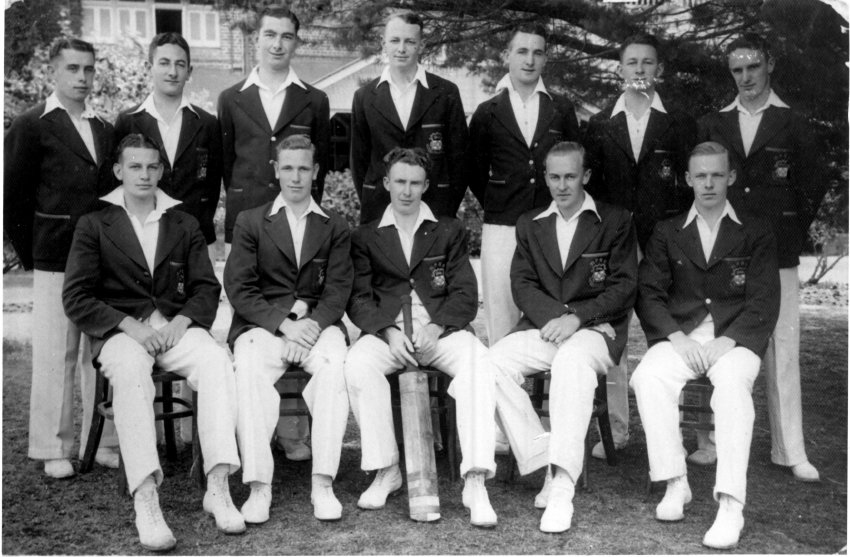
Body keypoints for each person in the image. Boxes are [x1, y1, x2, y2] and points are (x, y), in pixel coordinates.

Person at [62, 134, 245, 551]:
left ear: (161, 171)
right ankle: (146, 497)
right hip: (122, 334)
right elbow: (77, 297)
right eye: (135, 166)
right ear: (119, 171)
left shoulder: (182, 223)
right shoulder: (95, 224)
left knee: (216, 360)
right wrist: (130, 326)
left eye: (151, 166)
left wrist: (181, 322)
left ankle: (217, 484)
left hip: (174, 329)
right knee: (130, 370)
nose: (144, 174)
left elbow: (205, 288)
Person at [344, 147, 513, 528]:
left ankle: (475, 479)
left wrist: (437, 327)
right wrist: (387, 331)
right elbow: (358, 299)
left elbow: (466, 296)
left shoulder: (448, 229)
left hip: (440, 332)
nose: (407, 191)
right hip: (390, 333)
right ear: (386, 183)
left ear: (426, 185)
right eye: (400, 181)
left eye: (415, 183)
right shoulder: (366, 235)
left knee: (478, 363)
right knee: (357, 363)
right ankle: (386, 468)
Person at [630, 141, 780, 549]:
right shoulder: (668, 230)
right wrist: (675, 337)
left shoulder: (756, 230)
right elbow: (649, 293)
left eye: (717, 174)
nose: (709, 183)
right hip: (683, 335)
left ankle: (731, 503)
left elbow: (765, 300)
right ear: (688, 179)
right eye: (701, 175)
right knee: (647, 377)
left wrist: (728, 340)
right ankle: (675, 481)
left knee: (732, 389)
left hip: (735, 338)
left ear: (730, 177)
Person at [489, 141, 638, 534]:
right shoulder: (530, 222)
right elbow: (522, 283)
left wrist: (578, 318)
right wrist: (558, 319)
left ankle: (562, 484)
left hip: (596, 330)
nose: (562, 185)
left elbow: (624, 287)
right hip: (546, 326)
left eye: (570, 176)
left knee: (572, 363)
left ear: (585, 176)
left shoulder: (616, 220)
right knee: (489, 363)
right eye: (554, 176)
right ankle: (541, 453)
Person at [696, 33, 824, 481]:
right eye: (737, 69)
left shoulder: (794, 121)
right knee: (719, 338)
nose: (746, 77)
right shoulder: (715, 121)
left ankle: (790, 449)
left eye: (753, 66)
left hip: (778, 248)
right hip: (727, 247)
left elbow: (812, 184)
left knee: (783, 348)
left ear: (769, 64)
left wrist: (786, 226)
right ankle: (711, 442)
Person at [4, 37, 119, 478]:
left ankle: (103, 439)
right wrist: (34, 253)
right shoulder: (32, 124)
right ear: (54, 71)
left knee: (102, 351)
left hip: (99, 259)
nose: (82, 78)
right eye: (73, 69)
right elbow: (12, 200)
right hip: (54, 256)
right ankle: (52, 447)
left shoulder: (103, 128)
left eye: (88, 70)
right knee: (57, 352)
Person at [218, 5, 329, 458]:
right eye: (270, 35)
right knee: (254, 325)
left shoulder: (314, 99)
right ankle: (251, 432)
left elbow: (317, 171)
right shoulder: (231, 98)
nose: (277, 43)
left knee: (297, 321)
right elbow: (228, 165)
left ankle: (293, 432)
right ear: (256, 39)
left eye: (287, 36)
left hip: (298, 224)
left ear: (296, 42)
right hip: (251, 225)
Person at [224, 135, 352, 523]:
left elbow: (339, 289)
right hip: (264, 324)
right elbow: (239, 288)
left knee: (335, 363)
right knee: (248, 366)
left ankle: (323, 482)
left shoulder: (334, 226)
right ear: (276, 171)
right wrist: (283, 325)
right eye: (288, 168)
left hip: (317, 325)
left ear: (315, 173)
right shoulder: (251, 221)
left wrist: (309, 326)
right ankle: (259, 484)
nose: (295, 177)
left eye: (304, 169)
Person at [582, 33, 698, 460]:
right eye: (631, 63)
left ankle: (668, 432)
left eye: (648, 63)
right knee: (614, 333)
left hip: (663, 242)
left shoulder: (680, 123)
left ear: (659, 70)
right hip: (614, 245)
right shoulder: (598, 124)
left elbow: (688, 188)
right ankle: (617, 429)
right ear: (620, 69)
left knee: (665, 331)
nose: (639, 71)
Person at [467, 23, 580, 347]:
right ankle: (503, 392)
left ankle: (547, 394)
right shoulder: (488, 112)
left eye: (537, 52)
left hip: (551, 224)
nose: (529, 60)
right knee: (501, 312)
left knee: (550, 311)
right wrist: (502, 198)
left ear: (545, 59)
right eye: (522, 51)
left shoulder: (561, 109)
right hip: (502, 224)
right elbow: (475, 171)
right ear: (507, 56)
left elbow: (575, 160)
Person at [350, 11, 468, 223]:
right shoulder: (364, 97)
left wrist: (447, 205)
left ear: (421, 45)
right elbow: (358, 162)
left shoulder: (446, 92)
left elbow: (460, 161)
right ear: (383, 43)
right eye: (395, 40)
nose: (401, 49)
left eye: (410, 41)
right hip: (379, 208)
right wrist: (374, 196)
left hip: (435, 209)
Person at [115, 32, 222, 264]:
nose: (172, 72)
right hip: (143, 238)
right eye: (164, 63)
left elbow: (212, 184)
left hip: (196, 238)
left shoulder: (207, 124)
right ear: (149, 67)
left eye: (180, 64)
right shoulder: (128, 122)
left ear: (189, 72)